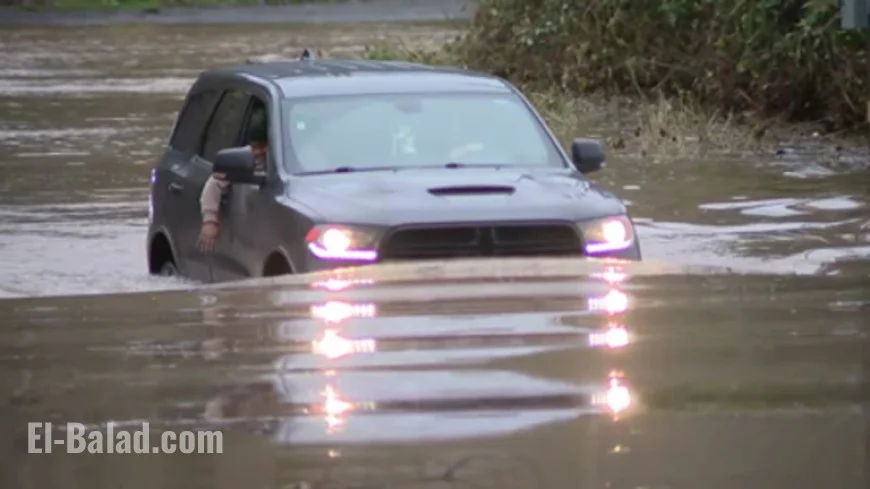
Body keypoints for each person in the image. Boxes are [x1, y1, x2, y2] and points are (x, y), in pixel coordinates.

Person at [197, 107, 268, 253]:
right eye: (255, 147)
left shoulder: (300, 155)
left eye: (265, 146)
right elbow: (215, 183)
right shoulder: (247, 158)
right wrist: (210, 221)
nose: (259, 152)